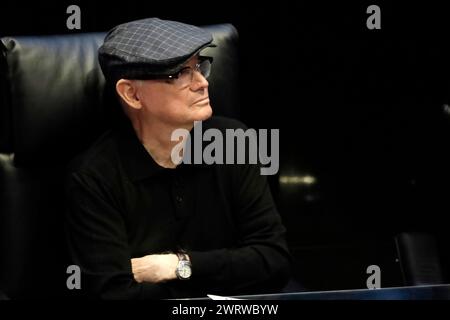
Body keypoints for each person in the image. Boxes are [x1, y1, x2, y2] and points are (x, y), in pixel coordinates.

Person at [65, 17, 291, 299]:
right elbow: (114, 293)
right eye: (178, 74)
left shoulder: (234, 141)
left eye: (199, 66)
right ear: (131, 94)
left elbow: (274, 261)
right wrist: (225, 271)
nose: (202, 83)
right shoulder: (93, 178)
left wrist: (178, 265)